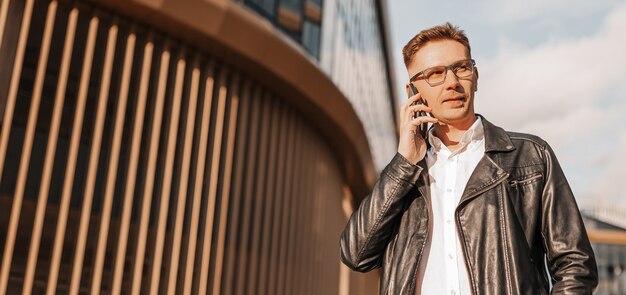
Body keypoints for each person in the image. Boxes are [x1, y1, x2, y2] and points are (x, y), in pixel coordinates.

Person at [339, 23, 598, 294]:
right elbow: (356, 254)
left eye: (461, 68)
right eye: (436, 74)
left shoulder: (531, 157)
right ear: (412, 92)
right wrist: (404, 163)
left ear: (475, 76)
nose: (452, 82)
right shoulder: (403, 176)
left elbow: (575, 264)